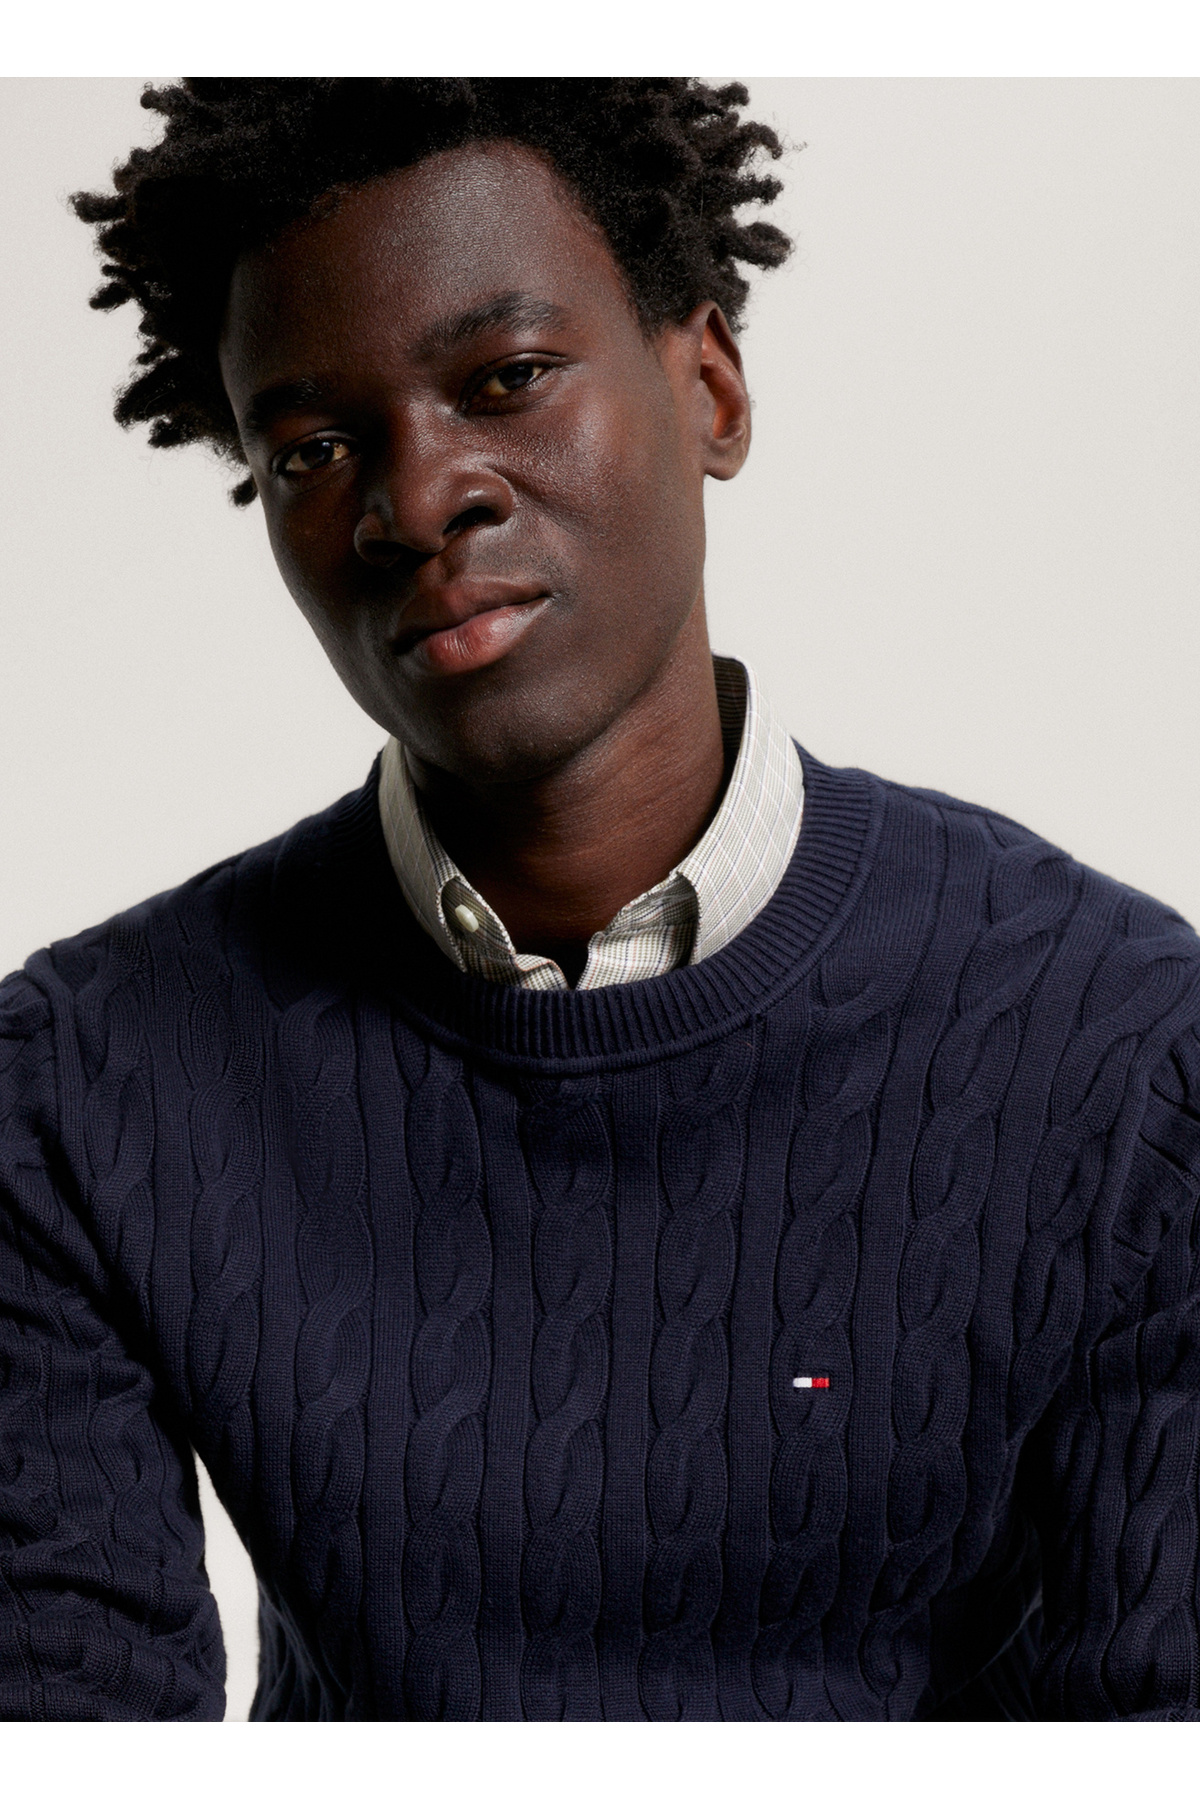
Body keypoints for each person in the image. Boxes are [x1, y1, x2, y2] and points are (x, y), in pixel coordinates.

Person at [1, 75, 1198, 1724]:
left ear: (709, 388)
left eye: (505, 379)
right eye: (315, 447)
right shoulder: (82, 1083)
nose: (418, 500)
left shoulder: (1125, 1048)